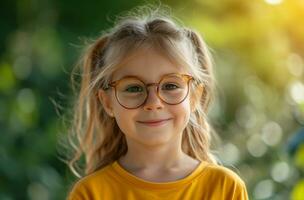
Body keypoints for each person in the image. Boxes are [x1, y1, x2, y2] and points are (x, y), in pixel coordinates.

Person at [65, 5, 249, 200]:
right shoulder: (90, 193)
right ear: (108, 102)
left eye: (170, 86)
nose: (153, 102)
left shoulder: (224, 188)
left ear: (194, 96)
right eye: (133, 88)